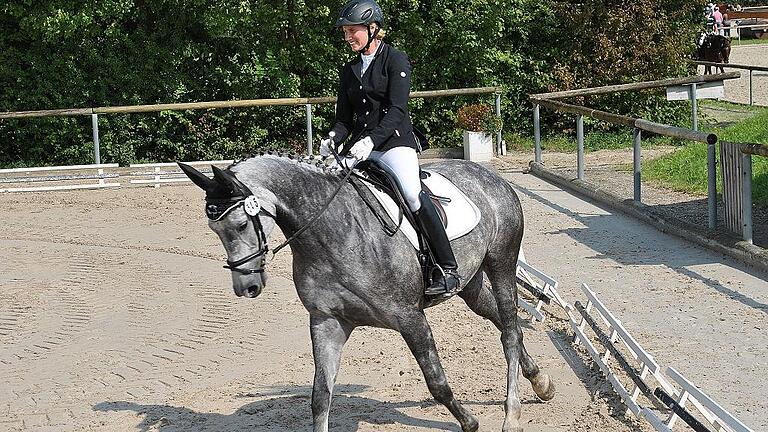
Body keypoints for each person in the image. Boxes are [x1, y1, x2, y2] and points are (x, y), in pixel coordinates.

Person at [319, 0, 460, 296]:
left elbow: (397, 110)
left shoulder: (395, 60)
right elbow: (343, 119)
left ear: (372, 29)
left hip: (394, 143)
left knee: (411, 193)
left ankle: (447, 269)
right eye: (345, 31)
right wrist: (331, 139)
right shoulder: (350, 69)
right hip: (361, 146)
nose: (348, 37)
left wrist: (370, 141)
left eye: (352, 31)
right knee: (330, 185)